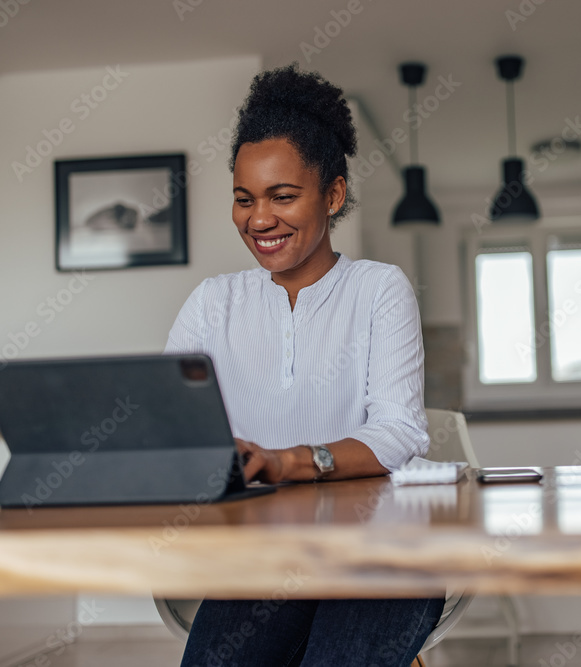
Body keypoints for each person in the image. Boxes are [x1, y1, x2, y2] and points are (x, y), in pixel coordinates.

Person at [165, 63, 444, 666]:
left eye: (282, 196)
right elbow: (171, 425)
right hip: (265, 559)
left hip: (384, 553)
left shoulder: (378, 290)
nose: (259, 219)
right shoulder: (216, 302)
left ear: (334, 194)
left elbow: (398, 430)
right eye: (244, 199)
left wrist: (288, 461)